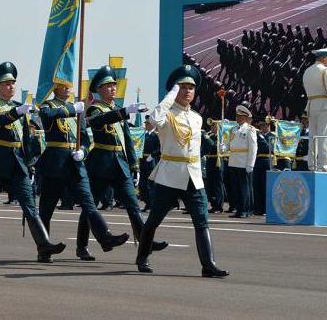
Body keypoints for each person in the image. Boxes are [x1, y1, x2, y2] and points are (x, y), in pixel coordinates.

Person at [136, 65, 228, 278]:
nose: (187, 91)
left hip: (193, 175)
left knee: (201, 220)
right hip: (169, 175)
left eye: (191, 87)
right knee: (154, 219)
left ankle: (208, 264)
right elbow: (153, 120)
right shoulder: (166, 114)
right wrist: (170, 94)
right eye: (183, 87)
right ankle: (142, 257)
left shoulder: (196, 118)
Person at [0, 62, 65, 265]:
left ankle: (44, 245)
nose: (11, 86)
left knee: (30, 207)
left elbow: (26, 136)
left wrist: (30, 158)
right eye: (6, 83)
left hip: (17, 162)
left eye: (13, 83)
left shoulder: (17, 107)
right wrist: (18, 112)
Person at [78, 66, 168, 254]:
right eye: (108, 86)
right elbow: (98, 121)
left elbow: (128, 141)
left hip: (120, 164)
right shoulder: (96, 109)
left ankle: (146, 242)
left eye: (114, 85)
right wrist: (124, 112)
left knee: (133, 206)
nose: (112, 89)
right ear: (100, 89)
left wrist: (134, 165)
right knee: (90, 207)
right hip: (101, 163)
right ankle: (82, 246)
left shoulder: (118, 110)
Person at [36, 82, 129, 263]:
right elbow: (46, 115)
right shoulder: (50, 106)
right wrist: (73, 108)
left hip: (75, 165)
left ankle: (105, 237)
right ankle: (43, 248)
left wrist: (83, 152)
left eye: (69, 86)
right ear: (55, 88)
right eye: (63, 85)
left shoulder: (76, 110)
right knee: (46, 209)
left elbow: (85, 140)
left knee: (89, 204)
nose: (68, 88)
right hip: (55, 164)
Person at [302, 46, 327, 172]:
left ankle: (312, 164)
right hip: (324, 105)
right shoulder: (326, 70)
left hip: (311, 105)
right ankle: (323, 165)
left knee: (313, 136)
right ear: (324, 58)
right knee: (325, 136)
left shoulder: (307, 71)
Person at [227, 105, 257, 218]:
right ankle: (239, 209)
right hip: (234, 161)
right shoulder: (234, 129)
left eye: (240, 116)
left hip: (244, 162)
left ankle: (246, 210)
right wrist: (225, 147)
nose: (237, 118)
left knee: (245, 188)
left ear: (245, 117)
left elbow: (253, 148)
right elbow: (231, 144)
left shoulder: (250, 129)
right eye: (237, 116)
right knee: (237, 188)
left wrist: (250, 164)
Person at [140, 116, 161, 212]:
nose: (146, 125)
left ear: (153, 124)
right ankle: (147, 202)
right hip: (143, 159)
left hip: (151, 160)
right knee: (143, 183)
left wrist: (152, 155)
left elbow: (160, 148)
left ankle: (152, 205)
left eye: (148, 123)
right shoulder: (144, 135)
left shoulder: (156, 135)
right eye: (146, 123)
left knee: (151, 184)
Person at [252, 120, 272, 216]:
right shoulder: (257, 135)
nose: (263, 128)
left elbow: (268, 147)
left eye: (265, 126)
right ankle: (257, 208)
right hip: (257, 160)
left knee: (264, 185)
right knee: (256, 185)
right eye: (262, 126)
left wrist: (261, 137)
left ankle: (264, 209)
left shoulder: (272, 136)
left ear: (269, 126)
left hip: (266, 160)